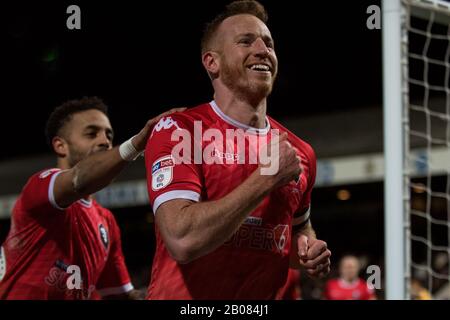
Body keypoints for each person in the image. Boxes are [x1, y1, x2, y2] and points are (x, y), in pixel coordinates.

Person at [145, 0, 331, 299]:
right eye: (246, 41)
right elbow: (182, 239)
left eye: (268, 43)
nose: (263, 50)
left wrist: (308, 249)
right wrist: (266, 178)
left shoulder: (299, 151)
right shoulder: (180, 130)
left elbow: (298, 229)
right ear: (211, 62)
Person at [0, 97, 183, 299]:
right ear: (61, 146)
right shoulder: (40, 187)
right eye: (91, 133)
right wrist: (136, 144)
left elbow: (120, 296)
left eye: (108, 135)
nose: (104, 140)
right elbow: (80, 179)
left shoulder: (106, 222)